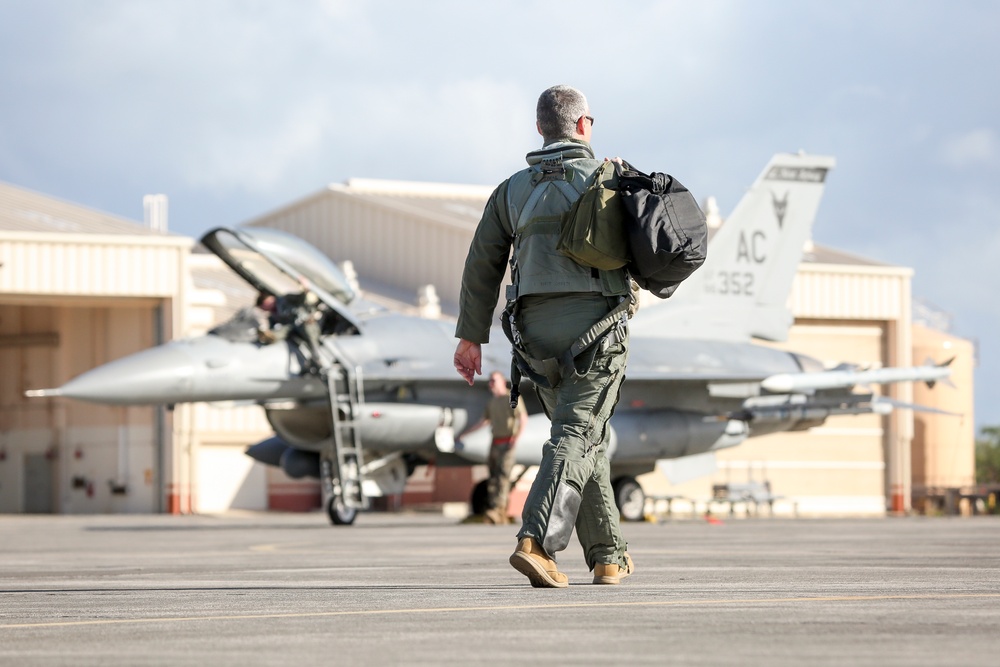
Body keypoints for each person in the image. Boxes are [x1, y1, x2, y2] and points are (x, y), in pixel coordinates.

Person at [453, 85, 634, 588]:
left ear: (539, 129)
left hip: (534, 340)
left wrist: (470, 337)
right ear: (583, 126)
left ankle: (608, 555)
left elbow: (481, 264)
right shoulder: (609, 178)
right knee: (575, 435)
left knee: (582, 437)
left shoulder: (511, 189)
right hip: (596, 331)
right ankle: (535, 542)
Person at [458, 371, 528, 525]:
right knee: (493, 476)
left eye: (494, 381)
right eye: (490, 381)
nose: (491, 384)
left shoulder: (512, 397)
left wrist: (515, 439)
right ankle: (492, 509)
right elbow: (484, 421)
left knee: (503, 477)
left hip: (507, 443)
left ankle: (499, 510)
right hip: (495, 443)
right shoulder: (493, 402)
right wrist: (465, 435)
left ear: (502, 382)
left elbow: (522, 418)